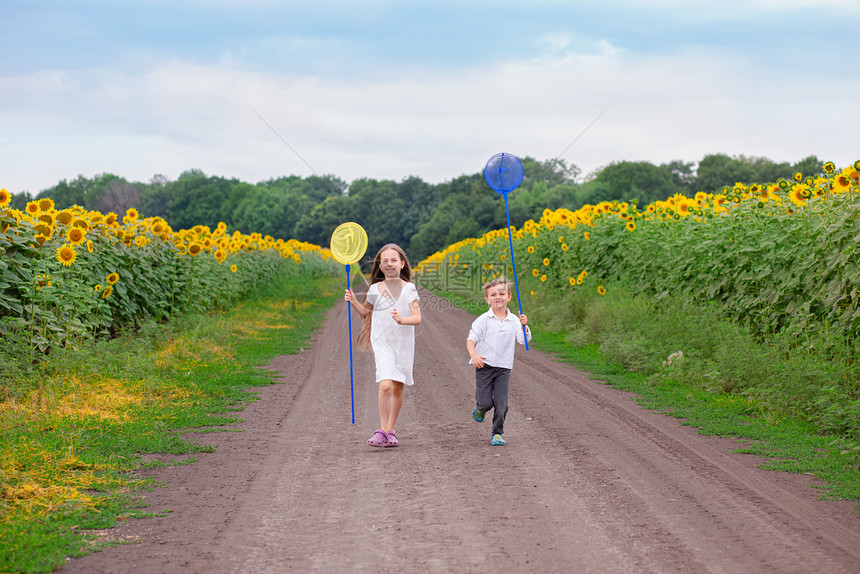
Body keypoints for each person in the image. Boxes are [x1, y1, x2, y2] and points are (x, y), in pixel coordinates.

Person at [345, 244, 421, 448]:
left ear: (402, 264)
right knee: (386, 384)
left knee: (397, 387)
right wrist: (353, 301)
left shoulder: (409, 289)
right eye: (384, 261)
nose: (389, 264)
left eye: (393, 260)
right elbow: (364, 312)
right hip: (383, 343)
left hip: (403, 344)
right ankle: (382, 429)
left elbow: (417, 318)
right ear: (379, 265)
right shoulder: (374, 289)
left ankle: (392, 429)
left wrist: (402, 320)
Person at [466, 276, 531, 446]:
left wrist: (525, 326)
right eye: (493, 294)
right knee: (487, 402)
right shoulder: (483, 320)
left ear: (509, 297)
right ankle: (480, 408)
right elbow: (471, 339)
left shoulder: (514, 320)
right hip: (484, 366)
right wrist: (474, 355)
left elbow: (523, 340)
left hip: (503, 368)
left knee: (501, 403)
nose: (498, 297)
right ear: (487, 299)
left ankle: (497, 433)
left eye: (502, 293)